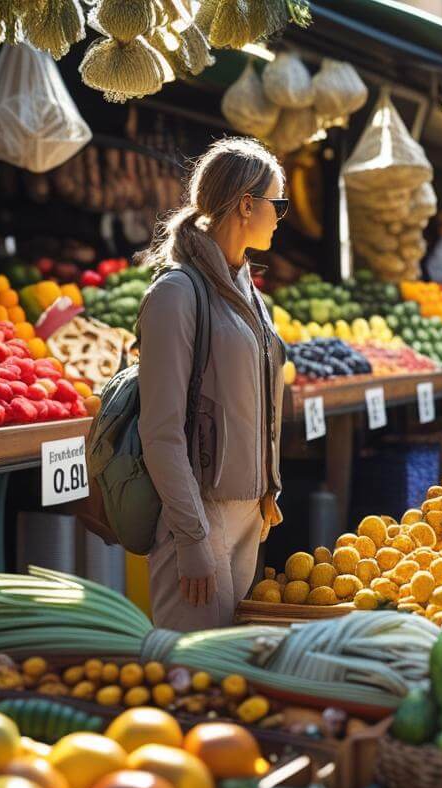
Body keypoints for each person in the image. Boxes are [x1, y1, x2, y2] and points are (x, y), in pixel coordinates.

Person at [136, 137, 287, 631]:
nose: (280, 217)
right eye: (276, 204)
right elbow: (160, 431)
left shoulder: (246, 290)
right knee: (195, 676)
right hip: (200, 515)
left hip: (247, 514)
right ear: (247, 204)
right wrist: (192, 537)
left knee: (230, 680)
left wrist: (267, 496)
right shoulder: (177, 293)